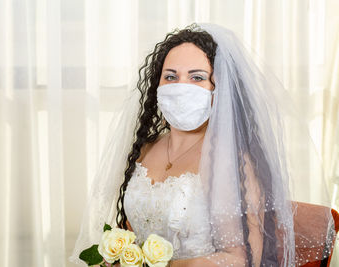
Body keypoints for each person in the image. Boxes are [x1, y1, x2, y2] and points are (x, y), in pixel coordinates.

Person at [70, 23, 336, 267]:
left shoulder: (230, 162)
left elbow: (242, 259)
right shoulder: (145, 149)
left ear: (218, 89)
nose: (180, 87)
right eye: (171, 77)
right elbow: (130, 230)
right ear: (157, 86)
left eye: (196, 77)